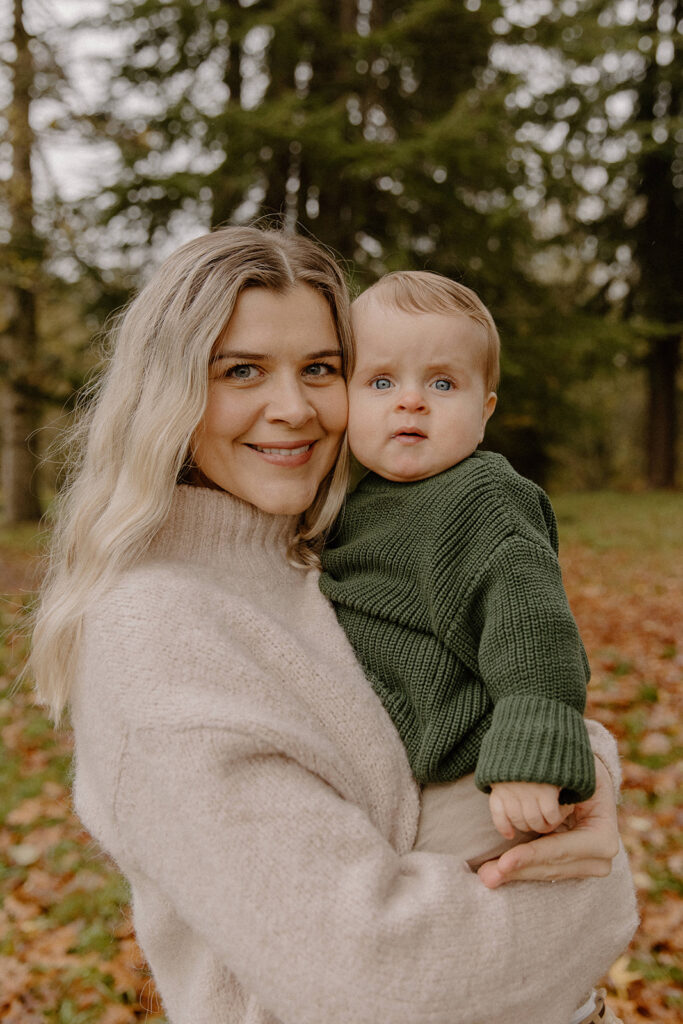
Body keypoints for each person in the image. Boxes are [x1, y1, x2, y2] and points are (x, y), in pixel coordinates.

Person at [30, 227, 637, 1024]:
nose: (293, 409)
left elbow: (496, 673)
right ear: (169, 390)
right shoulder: (158, 629)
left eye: (319, 369)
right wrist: (598, 886)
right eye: (241, 370)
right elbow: (375, 981)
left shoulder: (322, 554)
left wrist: (582, 770)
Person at [320, 270, 594, 848]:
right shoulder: (353, 505)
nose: (411, 400)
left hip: (479, 772)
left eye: (442, 383)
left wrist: (531, 750)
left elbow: (533, 625)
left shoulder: (482, 497)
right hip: (400, 773)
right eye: (381, 381)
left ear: (485, 410)